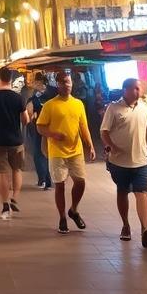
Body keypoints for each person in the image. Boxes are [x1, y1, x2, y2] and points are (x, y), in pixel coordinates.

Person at [37, 70, 96, 234]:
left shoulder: (78, 104)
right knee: (60, 185)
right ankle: (62, 217)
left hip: (75, 151)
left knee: (80, 182)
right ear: (58, 84)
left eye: (69, 82)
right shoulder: (50, 105)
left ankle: (74, 210)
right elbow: (40, 127)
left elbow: (83, 127)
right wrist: (53, 134)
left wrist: (90, 145)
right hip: (57, 152)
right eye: (63, 82)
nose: (67, 85)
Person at [101, 77, 147, 247]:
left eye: (140, 89)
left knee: (141, 192)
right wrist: (110, 146)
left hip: (141, 160)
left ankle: (145, 229)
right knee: (122, 192)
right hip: (119, 162)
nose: (139, 92)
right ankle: (125, 224)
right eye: (135, 89)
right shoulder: (114, 108)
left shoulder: (146, 109)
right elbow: (104, 131)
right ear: (125, 90)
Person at [0, 67, 29, 220]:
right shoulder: (18, 97)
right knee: (17, 169)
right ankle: (14, 198)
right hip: (16, 140)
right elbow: (26, 119)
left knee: (2, 173)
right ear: (11, 78)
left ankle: (4, 204)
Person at [26, 73, 55, 190]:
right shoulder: (51, 93)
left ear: (39, 82)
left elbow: (29, 111)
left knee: (39, 153)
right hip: (47, 128)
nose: (32, 84)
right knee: (45, 153)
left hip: (41, 128)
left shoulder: (36, 96)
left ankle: (44, 179)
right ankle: (47, 179)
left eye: (33, 81)